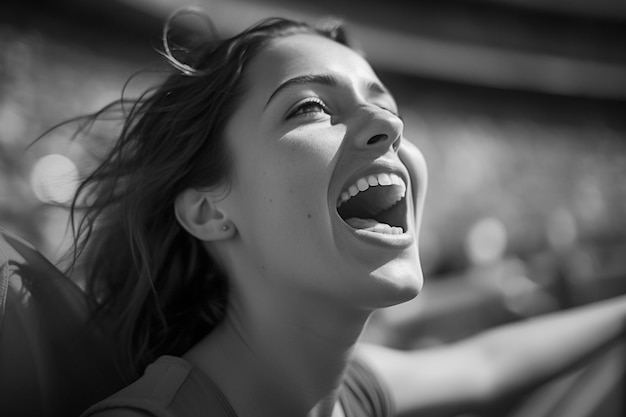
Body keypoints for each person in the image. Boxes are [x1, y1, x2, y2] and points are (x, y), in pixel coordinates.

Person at [67, 9, 626, 417]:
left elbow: (488, 365)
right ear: (210, 210)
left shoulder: (351, 391)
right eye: (310, 106)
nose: (391, 125)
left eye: (384, 104)